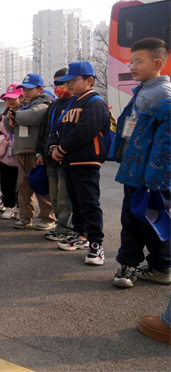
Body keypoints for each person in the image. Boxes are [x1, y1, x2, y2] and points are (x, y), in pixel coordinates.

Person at [112, 38, 171, 287]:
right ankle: (153, 265)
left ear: (157, 63)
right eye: (131, 61)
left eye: (138, 61)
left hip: (148, 175)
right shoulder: (145, 90)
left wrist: (156, 175)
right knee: (141, 217)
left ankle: (141, 267)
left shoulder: (161, 95)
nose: (132, 66)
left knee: (145, 218)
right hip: (136, 170)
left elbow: (165, 144)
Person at [49, 62, 111, 266]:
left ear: (89, 80)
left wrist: (62, 149)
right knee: (76, 201)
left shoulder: (94, 102)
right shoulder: (72, 102)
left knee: (89, 202)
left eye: (74, 80)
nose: (70, 85)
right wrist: (53, 148)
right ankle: (80, 234)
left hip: (87, 159)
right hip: (70, 161)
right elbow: (58, 130)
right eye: (69, 81)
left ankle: (96, 244)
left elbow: (84, 130)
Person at [4, 73, 55, 230]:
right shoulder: (24, 106)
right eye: (24, 89)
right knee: (23, 186)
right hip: (22, 150)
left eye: (29, 89)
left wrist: (14, 116)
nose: (25, 92)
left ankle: (48, 218)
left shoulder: (44, 104)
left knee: (39, 184)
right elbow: (9, 126)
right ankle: (25, 216)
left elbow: (32, 116)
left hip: (35, 151)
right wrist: (11, 118)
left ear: (40, 89)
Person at [36, 68, 75, 241]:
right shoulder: (54, 105)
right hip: (48, 156)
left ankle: (66, 228)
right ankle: (60, 225)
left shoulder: (75, 104)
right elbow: (44, 131)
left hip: (65, 157)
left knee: (63, 196)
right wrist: (40, 151)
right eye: (56, 84)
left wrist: (62, 150)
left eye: (63, 83)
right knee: (54, 195)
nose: (58, 88)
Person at [0, 83, 23, 219]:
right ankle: (9, 206)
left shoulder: (25, 115)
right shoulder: (3, 116)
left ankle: (20, 207)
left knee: (21, 183)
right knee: (6, 182)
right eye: (7, 98)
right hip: (6, 155)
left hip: (20, 154)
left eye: (13, 98)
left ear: (21, 98)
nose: (10, 101)